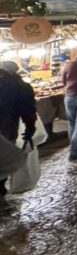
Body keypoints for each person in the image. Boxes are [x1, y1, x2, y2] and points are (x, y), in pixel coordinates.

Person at [0, 61, 37, 196]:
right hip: (7, 127)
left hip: (6, 125)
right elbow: (28, 110)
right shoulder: (21, 85)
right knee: (4, 156)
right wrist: (30, 127)